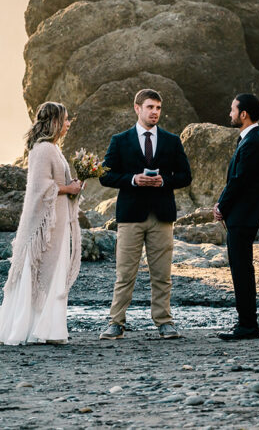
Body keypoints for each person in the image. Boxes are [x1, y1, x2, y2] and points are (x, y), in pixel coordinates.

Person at [98, 89, 192, 340]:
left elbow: (186, 176)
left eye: (158, 108)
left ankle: (164, 322)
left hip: (162, 216)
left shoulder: (172, 140)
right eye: (150, 107)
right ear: (137, 108)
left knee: (162, 274)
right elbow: (105, 175)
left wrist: (164, 181)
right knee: (125, 273)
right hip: (130, 216)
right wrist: (132, 179)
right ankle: (116, 323)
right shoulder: (120, 140)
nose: (155, 112)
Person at [0, 103, 84, 345]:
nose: (68, 124)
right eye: (65, 120)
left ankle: (48, 329)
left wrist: (72, 187)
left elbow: (53, 185)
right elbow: (39, 188)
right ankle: (37, 329)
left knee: (53, 271)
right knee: (43, 273)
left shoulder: (52, 149)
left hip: (56, 222)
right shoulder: (45, 149)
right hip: (46, 227)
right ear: (55, 121)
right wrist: (69, 188)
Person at [213, 94, 259, 341]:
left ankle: (247, 325)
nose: (230, 114)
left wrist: (221, 206)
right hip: (244, 214)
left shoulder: (253, 142)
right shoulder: (251, 140)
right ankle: (246, 323)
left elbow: (240, 180)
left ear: (244, 114)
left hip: (244, 215)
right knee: (241, 268)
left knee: (241, 270)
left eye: (232, 109)